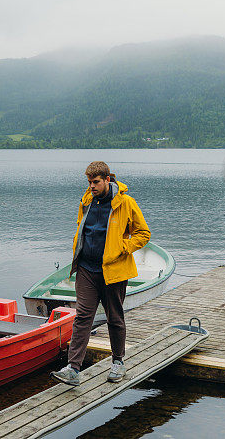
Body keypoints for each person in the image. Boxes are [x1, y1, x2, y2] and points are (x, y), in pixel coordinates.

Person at [51, 161, 151, 386]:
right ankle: (73, 369)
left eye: (95, 182)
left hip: (113, 270)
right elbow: (81, 226)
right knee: (83, 317)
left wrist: (122, 248)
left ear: (107, 180)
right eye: (89, 182)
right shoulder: (87, 199)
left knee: (114, 317)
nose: (91, 186)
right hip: (86, 268)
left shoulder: (125, 203)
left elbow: (143, 233)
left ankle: (118, 363)